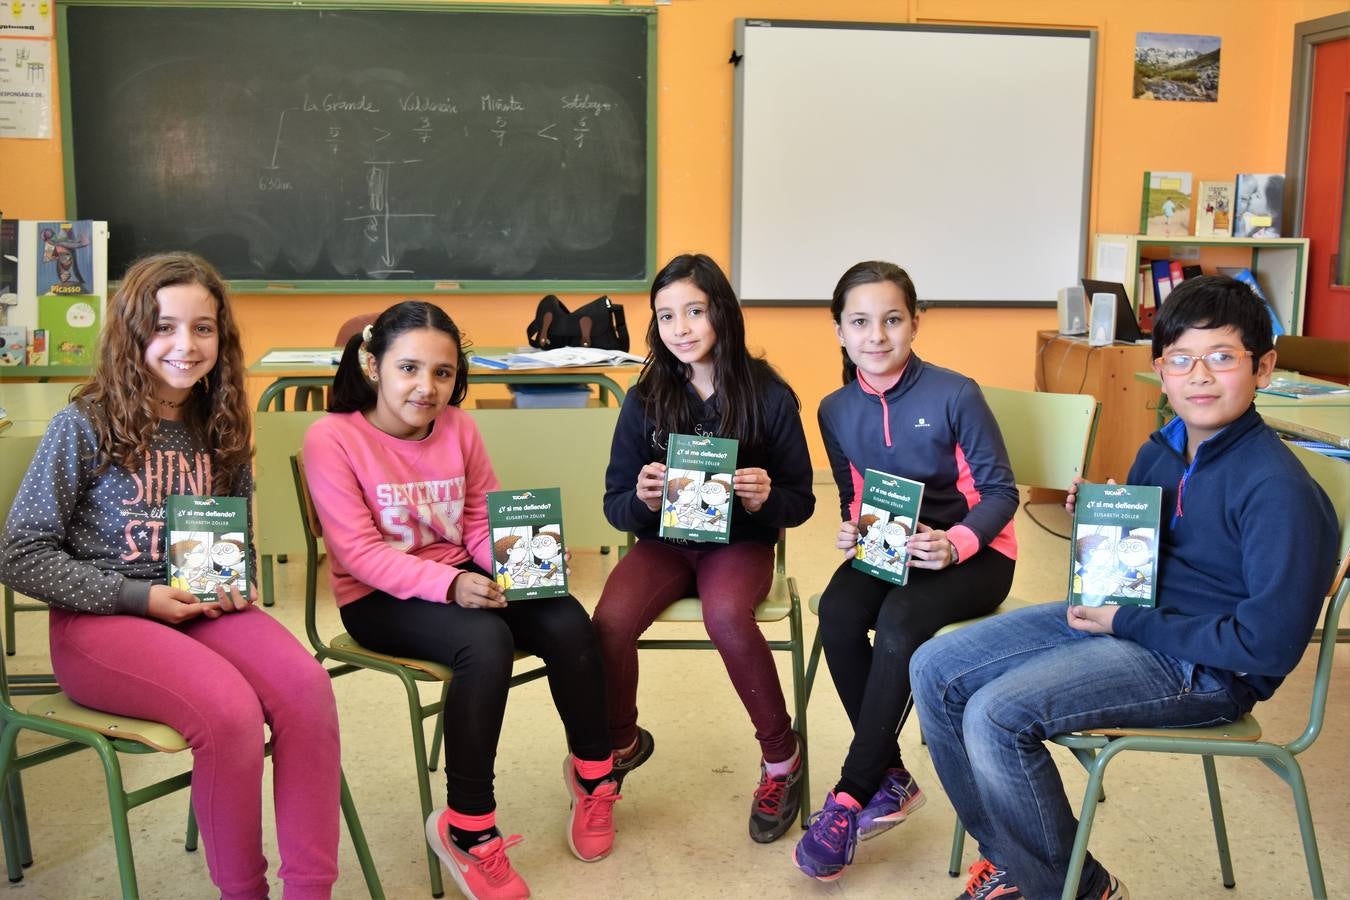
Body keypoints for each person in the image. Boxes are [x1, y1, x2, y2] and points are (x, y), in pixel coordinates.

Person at [909, 275, 1338, 900]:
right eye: (1181, 360)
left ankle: (1075, 891)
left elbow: (1266, 648)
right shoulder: (1163, 450)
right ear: (1159, 369)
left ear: (1264, 368)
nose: (1200, 377)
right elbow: (1151, 558)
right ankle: (1017, 866)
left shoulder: (1281, 491)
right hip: (1133, 618)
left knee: (998, 714)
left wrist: (1125, 622)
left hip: (1209, 667)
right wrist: (1108, 521)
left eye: (1222, 358)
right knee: (934, 666)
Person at [0, 252, 341, 900]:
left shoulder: (222, 423)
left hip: (202, 605)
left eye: (203, 328)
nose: (185, 345)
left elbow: (225, 531)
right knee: (231, 714)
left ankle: (310, 893)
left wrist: (229, 578)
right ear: (132, 333)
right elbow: (17, 552)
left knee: (307, 693)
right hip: (103, 621)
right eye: (164, 326)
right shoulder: (86, 423)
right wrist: (138, 597)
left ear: (222, 335)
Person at [301, 300, 618, 900]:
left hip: (458, 573)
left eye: (442, 373)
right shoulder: (332, 438)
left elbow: (476, 521)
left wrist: (517, 558)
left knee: (568, 620)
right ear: (373, 364)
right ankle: (468, 828)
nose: (427, 387)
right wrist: (450, 586)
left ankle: (593, 775)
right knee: (486, 641)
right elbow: (359, 554)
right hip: (377, 596)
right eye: (409, 369)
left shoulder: (460, 429)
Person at [794, 260, 1019, 882]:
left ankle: (851, 792)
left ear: (915, 323)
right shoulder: (835, 409)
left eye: (892, 320)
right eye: (860, 322)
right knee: (837, 613)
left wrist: (956, 543)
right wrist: (851, 528)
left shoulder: (956, 393)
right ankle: (890, 774)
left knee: (897, 621)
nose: (877, 335)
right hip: (891, 546)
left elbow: (1001, 491)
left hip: (976, 554)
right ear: (838, 331)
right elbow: (853, 494)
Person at [592, 253, 815, 843]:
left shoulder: (769, 395)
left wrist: (768, 496)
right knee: (609, 621)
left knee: (725, 615)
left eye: (694, 311)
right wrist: (640, 499)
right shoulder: (645, 398)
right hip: (665, 546)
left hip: (737, 546)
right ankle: (621, 741)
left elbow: (803, 500)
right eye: (666, 317)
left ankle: (781, 759)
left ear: (722, 312)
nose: (681, 328)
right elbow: (614, 504)